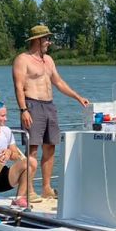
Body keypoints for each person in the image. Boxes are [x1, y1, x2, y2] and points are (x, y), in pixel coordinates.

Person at [12, 24, 90, 202]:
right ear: (37, 40)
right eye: (46, 39)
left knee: (50, 147)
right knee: (32, 148)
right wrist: (23, 110)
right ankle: (29, 190)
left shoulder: (48, 60)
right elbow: (18, 86)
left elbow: (58, 82)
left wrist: (78, 97)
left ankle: (46, 188)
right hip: (32, 105)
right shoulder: (22, 59)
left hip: (49, 106)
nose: (49, 42)